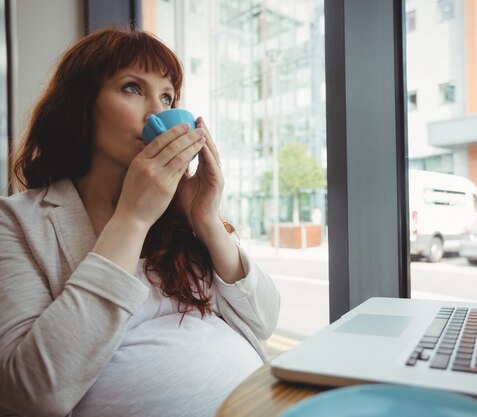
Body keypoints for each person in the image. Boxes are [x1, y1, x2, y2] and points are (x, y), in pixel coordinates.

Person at [0, 27, 280, 417]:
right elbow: (31, 396)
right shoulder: (16, 222)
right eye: (132, 88)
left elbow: (264, 320)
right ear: (81, 106)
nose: (158, 112)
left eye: (167, 96)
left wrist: (207, 218)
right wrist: (132, 218)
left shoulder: (180, 214)